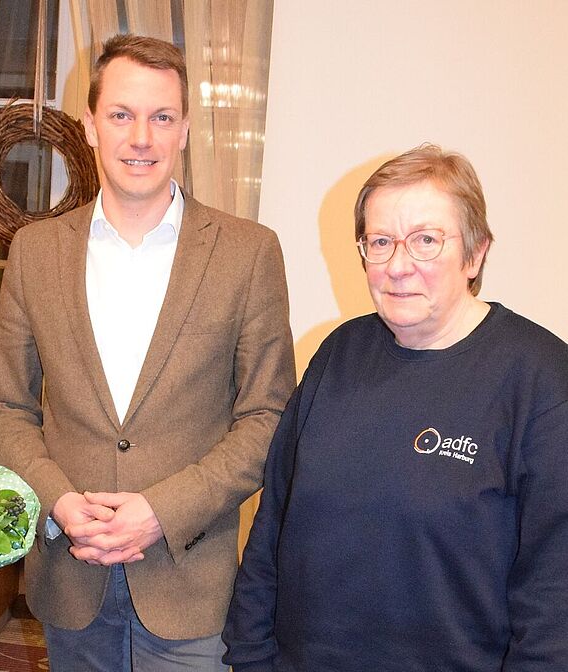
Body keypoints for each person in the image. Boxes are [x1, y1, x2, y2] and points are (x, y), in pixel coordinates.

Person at [0, 34, 295, 671]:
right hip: (72, 570)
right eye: (121, 115)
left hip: (190, 576)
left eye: (161, 117)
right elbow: (7, 407)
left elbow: (268, 418)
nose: (141, 137)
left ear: (184, 131)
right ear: (91, 126)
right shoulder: (36, 252)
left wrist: (161, 511)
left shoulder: (248, 252)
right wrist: (62, 504)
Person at [223, 144, 568, 671]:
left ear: (475, 254)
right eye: (380, 241)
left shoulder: (541, 380)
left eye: (426, 240)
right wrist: (250, 657)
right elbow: (273, 526)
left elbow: (554, 595)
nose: (399, 266)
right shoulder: (338, 353)